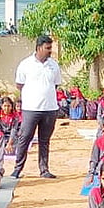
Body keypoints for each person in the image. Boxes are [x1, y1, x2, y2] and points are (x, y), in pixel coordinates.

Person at [13, 35, 63, 179]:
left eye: (50, 48)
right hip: (31, 109)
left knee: (44, 140)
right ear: (39, 47)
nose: (50, 51)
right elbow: (19, 84)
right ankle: (17, 168)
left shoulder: (53, 65)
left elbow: (55, 84)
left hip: (50, 109)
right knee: (24, 138)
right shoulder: (25, 64)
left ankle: (44, 170)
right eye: (47, 48)